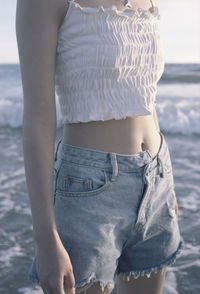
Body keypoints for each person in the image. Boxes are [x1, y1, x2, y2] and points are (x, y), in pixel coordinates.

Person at [16, 0, 184, 293]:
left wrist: (163, 185)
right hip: (88, 190)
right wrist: (45, 237)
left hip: (157, 180)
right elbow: (38, 119)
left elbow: (144, 93)